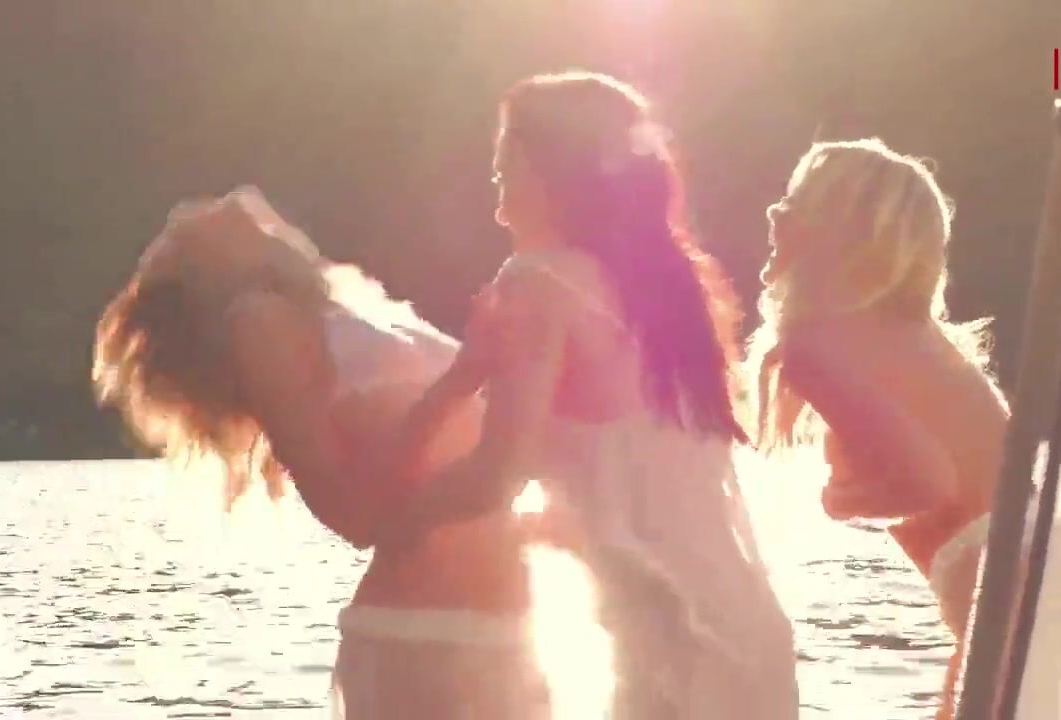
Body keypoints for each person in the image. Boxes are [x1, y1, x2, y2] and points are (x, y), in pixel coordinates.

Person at [376, 71, 800, 719]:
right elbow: (626, 480)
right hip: (744, 631)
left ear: (556, 167)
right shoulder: (669, 297)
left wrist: (398, 518)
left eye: (510, 152)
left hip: (674, 647)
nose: (496, 169)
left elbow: (497, 475)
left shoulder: (537, 281)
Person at [92, 189, 548, 719]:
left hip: (506, 623)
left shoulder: (346, 305)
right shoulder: (256, 319)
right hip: (430, 634)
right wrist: (465, 378)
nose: (215, 205)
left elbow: (481, 445)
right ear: (203, 271)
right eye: (185, 228)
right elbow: (352, 513)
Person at [747, 138, 1012, 719]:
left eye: (799, 203)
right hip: (1028, 583)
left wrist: (837, 502)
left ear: (840, 237)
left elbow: (927, 482)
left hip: (1002, 609)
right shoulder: (915, 336)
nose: (775, 212)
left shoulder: (815, 348)